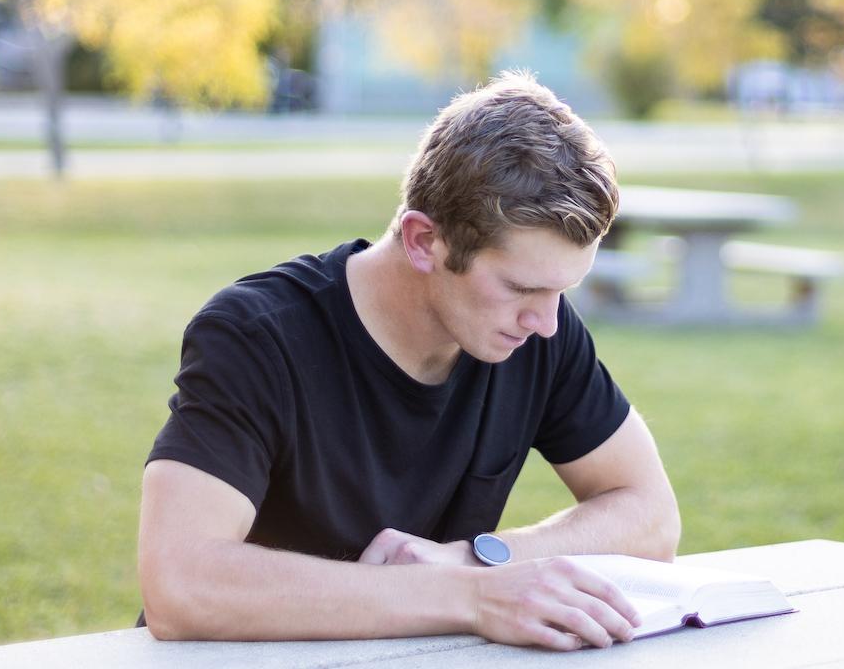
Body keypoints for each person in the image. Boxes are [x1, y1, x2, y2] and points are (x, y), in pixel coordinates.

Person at [137, 71, 680, 651]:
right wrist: (471, 596)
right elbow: (181, 584)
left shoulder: (539, 333)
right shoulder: (257, 338)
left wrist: (477, 560)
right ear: (423, 241)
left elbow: (651, 517)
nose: (546, 321)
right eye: (521, 288)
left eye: (562, 292)